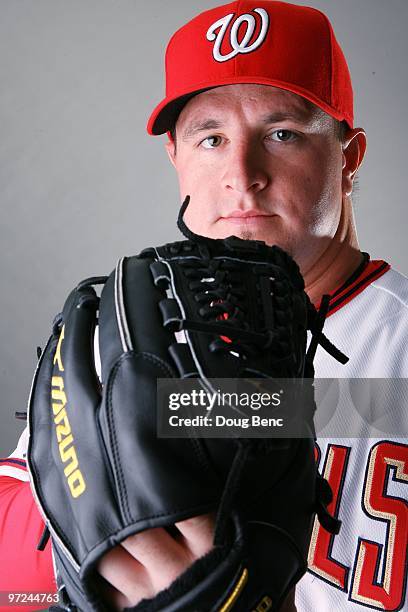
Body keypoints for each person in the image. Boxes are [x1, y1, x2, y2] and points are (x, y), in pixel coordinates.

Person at [1, 1, 407, 610]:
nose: (241, 176)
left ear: (349, 158)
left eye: (282, 134)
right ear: (176, 158)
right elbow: (12, 570)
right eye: (211, 138)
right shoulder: (128, 343)